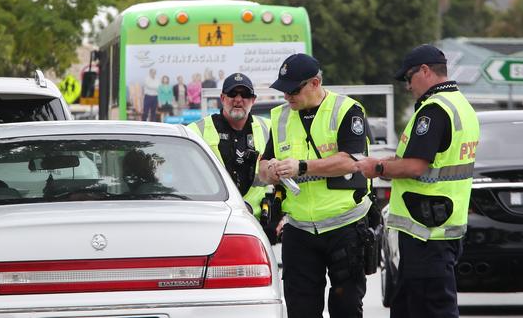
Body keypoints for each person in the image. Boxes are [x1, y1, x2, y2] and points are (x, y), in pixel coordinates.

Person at [356, 44, 479, 318]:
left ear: (425, 71)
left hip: (426, 230)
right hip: (441, 225)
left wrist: (376, 166)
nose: (408, 86)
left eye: (409, 78)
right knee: (409, 306)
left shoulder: (433, 110)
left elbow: (414, 165)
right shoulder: (461, 106)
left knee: (433, 308)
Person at [258, 53, 372, 318]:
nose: (287, 96)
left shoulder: (347, 110)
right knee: (301, 309)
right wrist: (270, 171)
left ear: (315, 83)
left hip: (344, 225)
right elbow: (263, 167)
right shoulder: (281, 117)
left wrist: (302, 166)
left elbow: (351, 161)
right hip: (299, 229)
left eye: (293, 90)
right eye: (283, 89)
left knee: (346, 307)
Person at [188, 73, 271, 225]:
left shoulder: (269, 128)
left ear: (253, 100)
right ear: (222, 98)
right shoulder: (196, 131)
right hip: (213, 221)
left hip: (259, 222)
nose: (238, 99)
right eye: (232, 93)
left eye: (245, 94)